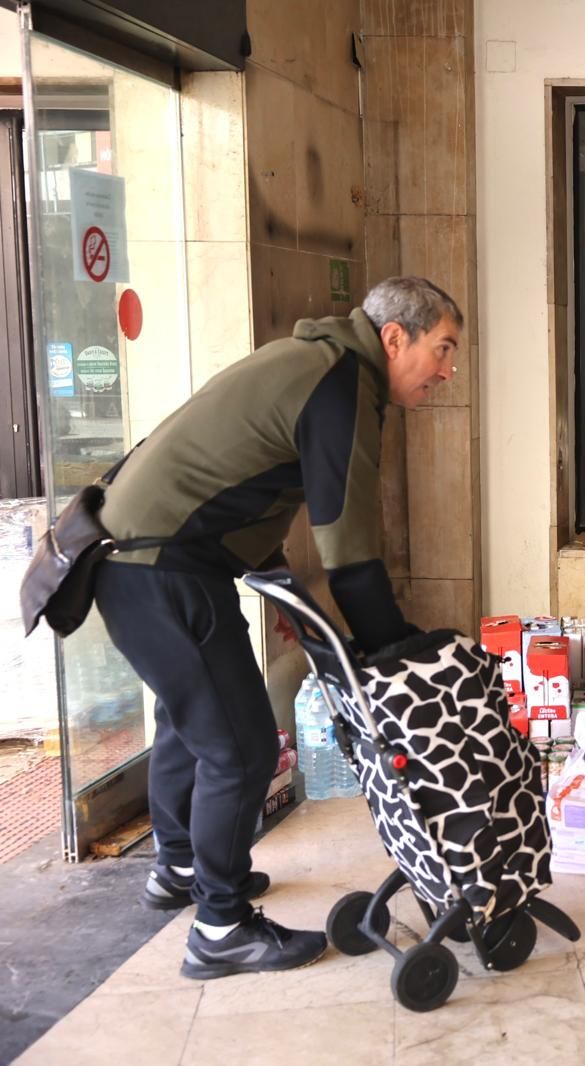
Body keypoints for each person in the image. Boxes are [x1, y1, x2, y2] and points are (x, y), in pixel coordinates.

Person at [93, 276, 460, 978]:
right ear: (394, 338)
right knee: (240, 748)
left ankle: (179, 870)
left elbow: (242, 478)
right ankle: (221, 927)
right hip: (161, 567)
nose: (446, 371)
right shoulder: (342, 380)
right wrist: (404, 659)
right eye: (441, 350)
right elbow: (352, 556)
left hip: (135, 559)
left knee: (190, 718)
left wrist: (293, 597)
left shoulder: (310, 361)